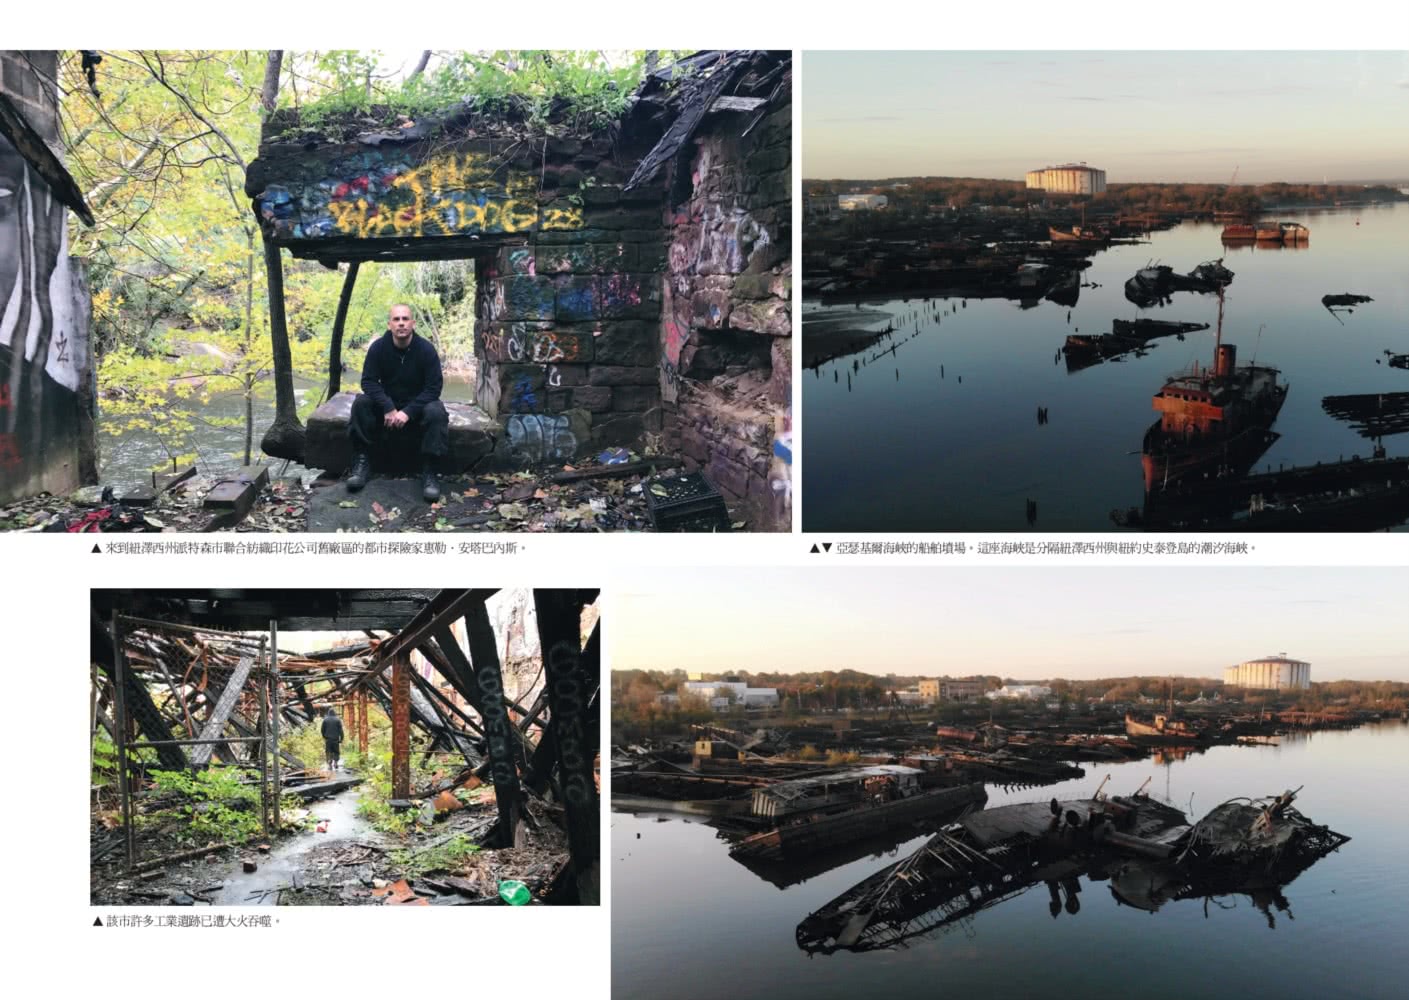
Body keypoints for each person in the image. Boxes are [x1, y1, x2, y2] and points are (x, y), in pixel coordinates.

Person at [346, 304, 448, 501]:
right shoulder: (378, 348)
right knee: (361, 403)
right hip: (387, 406)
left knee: (436, 410)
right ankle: (361, 463)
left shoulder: (426, 350)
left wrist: (407, 412)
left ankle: (430, 470)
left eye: (405, 319)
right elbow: (368, 381)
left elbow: (434, 388)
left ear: (413, 323)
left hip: (417, 408)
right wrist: (388, 406)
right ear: (389, 324)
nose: (401, 323)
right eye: (396, 319)